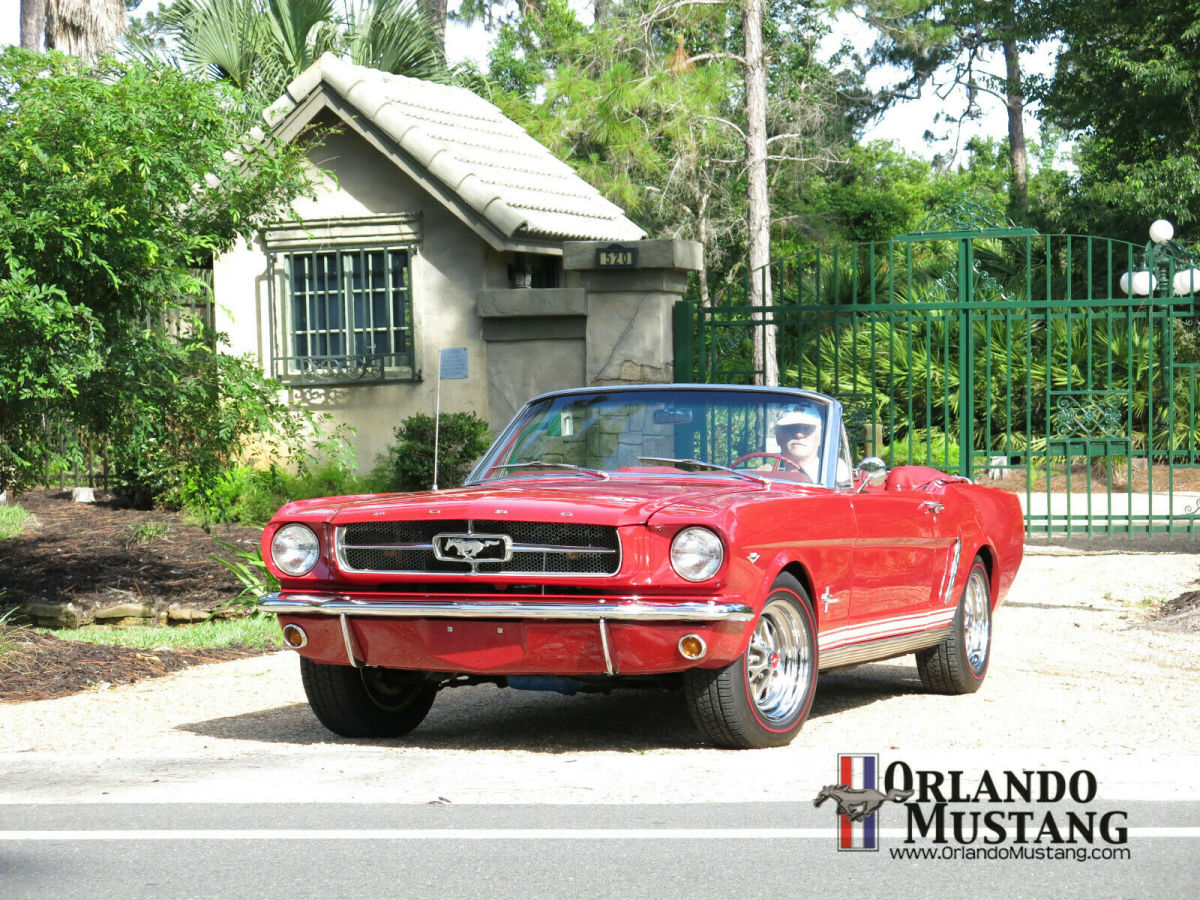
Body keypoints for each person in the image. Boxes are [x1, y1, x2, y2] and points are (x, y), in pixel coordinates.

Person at [772, 407, 823, 482]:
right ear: (777, 436)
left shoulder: (836, 474)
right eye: (791, 427)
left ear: (819, 437)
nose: (799, 435)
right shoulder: (768, 479)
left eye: (807, 428)